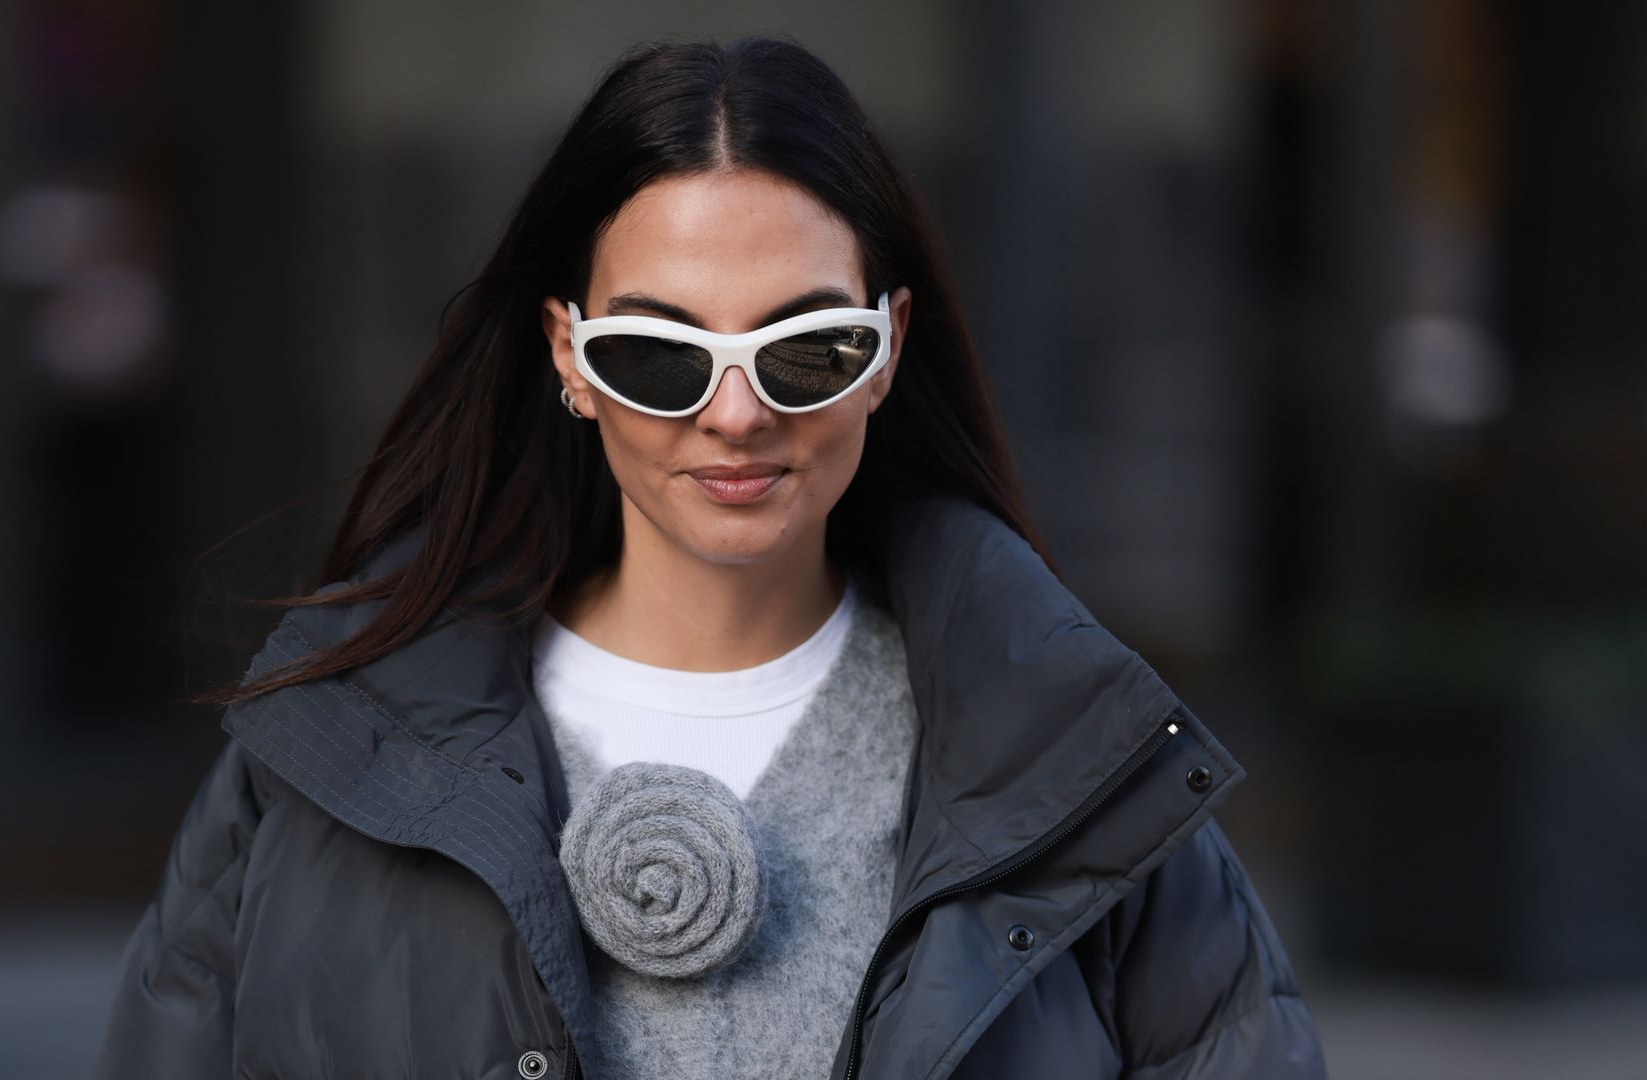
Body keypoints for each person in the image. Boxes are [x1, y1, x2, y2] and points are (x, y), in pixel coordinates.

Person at [91, 33, 1328, 1080]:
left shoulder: (1080, 772)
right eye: (661, 353)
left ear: (888, 346)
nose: (735, 415)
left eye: (804, 349)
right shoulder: (314, 771)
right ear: (570, 358)